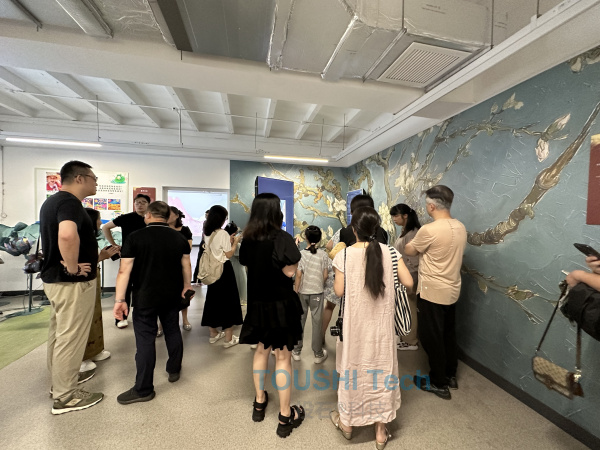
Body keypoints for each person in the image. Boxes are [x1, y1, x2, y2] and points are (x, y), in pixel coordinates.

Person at [330, 206, 413, 450]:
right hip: (382, 331)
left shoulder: (344, 255)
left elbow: (338, 291)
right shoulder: (390, 252)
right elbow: (408, 282)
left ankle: (347, 425)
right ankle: (380, 432)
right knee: (382, 372)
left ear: (353, 229)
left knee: (353, 371)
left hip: (354, 331)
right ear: (376, 228)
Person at [238, 193, 305, 438]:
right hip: (281, 306)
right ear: (277, 212)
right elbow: (290, 272)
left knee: (261, 351)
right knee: (283, 358)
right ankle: (285, 415)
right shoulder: (283, 238)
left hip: (258, 304)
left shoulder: (248, 239)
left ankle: (259, 403)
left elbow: (248, 264)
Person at [113, 201, 192, 405]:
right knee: (172, 330)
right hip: (171, 295)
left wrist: (120, 299)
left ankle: (144, 389)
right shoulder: (179, 238)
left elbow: (124, 271)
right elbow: (186, 265)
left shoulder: (135, 237)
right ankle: (174, 369)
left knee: (145, 340)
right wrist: (186, 286)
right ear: (167, 217)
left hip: (144, 297)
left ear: (148, 215)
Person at [40, 160, 103, 415]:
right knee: (71, 337)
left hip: (55, 280)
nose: (96, 183)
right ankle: (66, 396)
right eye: (93, 178)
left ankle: (59, 383)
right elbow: (67, 234)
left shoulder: (53, 202)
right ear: (79, 178)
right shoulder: (69, 203)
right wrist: (73, 267)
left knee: (59, 333)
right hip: (71, 283)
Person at [404, 185, 467, 400]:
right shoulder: (460, 227)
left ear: (431, 206)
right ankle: (450, 375)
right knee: (448, 333)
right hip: (452, 290)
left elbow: (409, 249)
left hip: (432, 292)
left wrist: (413, 243)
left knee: (431, 337)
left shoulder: (429, 230)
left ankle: (438, 382)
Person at [80, 208, 119, 373]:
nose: (100, 222)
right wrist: (101, 257)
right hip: (81, 282)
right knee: (83, 318)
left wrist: (103, 255)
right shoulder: (78, 238)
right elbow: (79, 263)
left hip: (93, 278)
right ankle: (80, 358)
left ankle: (94, 350)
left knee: (95, 314)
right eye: (98, 219)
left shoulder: (89, 237)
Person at [102, 193, 150, 328]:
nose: (140, 204)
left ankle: (142, 317)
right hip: (128, 256)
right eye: (137, 202)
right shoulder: (126, 218)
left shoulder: (150, 219)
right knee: (125, 287)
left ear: (148, 205)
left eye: (143, 202)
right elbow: (105, 227)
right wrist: (114, 244)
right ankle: (121, 318)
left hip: (146, 258)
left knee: (143, 287)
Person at [200, 205, 243, 348]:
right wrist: (235, 242)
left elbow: (216, 248)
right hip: (224, 270)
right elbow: (228, 254)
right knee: (228, 301)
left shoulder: (207, 232)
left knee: (212, 300)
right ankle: (229, 339)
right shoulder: (222, 233)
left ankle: (213, 333)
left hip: (212, 270)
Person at [292, 225, 328, 363]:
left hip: (303, 292)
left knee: (300, 321)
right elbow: (325, 275)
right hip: (317, 292)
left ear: (306, 238)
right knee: (317, 322)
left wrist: (296, 291)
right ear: (319, 239)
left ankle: (296, 351)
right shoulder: (323, 255)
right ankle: (318, 354)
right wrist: (319, 284)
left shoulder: (301, 254)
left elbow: (298, 275)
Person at [390, 203, 421, 351]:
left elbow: (414, 260)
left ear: (405, 215)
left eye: (396, 215)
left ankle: (411, 341)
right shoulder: (405, 232)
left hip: (410, 276)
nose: (394, 219)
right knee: (405, 307)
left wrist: (407, 278)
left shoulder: (413, 233)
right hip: (404, 275)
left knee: (409, 307)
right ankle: (406, 338)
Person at [162, 206, 193, 333]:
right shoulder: (162, 229)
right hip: (164, 266)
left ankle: (185, 319)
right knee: (163, 294)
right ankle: (161, 323)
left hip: (181, 265)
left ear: (176, 215)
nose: (166, 216)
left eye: (169, 213)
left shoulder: (184, 230)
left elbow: (188, 248)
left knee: (183, 293)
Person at [224, 221, 248, 305]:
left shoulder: (225, 242)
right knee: (241, 284)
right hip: (238, 267)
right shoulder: (236, 245)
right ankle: (241, 299)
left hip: (230, 265)